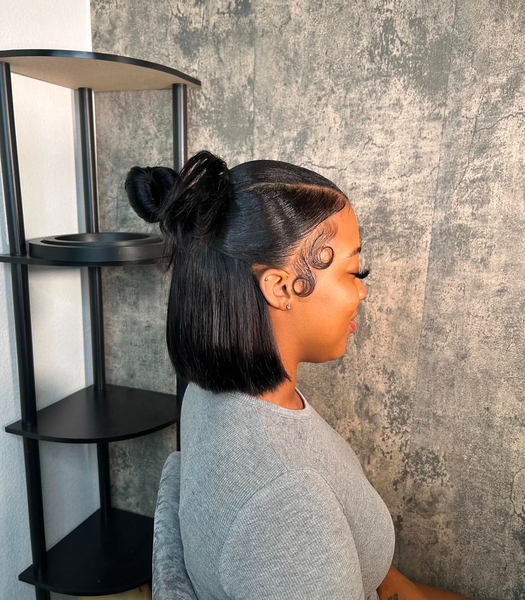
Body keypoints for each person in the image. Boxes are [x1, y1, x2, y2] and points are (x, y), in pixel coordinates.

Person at [125, 151, 496, 600]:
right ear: (281, 287)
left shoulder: (210, 394)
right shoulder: (283, 510)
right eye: (354, 271)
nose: (361, 291)